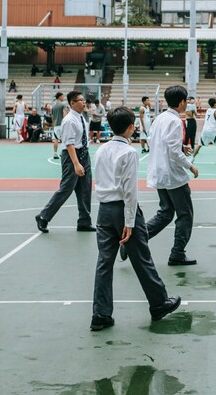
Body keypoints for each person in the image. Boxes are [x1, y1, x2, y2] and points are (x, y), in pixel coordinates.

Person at [90, 106, 182, 331]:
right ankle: (158, 303)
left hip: (104, 209)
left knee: (104, 262)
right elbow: (129, 190)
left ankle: (100, 314)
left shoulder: (101, 150)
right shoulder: (129, 153)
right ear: (131, 127)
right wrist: (129, 222)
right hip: (122, 209)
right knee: (141, 258)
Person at [129, 86, 199, 266]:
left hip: (159, 172)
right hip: (172, 175)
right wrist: (190, 166)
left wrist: (180, 147)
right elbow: (173, 151)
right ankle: (177, 253)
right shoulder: (175, 121)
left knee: (166, 213)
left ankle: (134, 240)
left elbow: (157, 141)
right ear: (182, 102)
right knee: (185, 214)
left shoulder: (159, 118)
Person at [35, 91, 95, 233]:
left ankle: (84, 221)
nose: (84, 103)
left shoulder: (81, 117)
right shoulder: (69, 120)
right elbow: (69, 144)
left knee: (85, 188)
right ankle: (43, 216)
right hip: (72, 155)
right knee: (67, 188)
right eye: (80, 100)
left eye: (83, 100)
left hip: (84, 154)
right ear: (72, 103)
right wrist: (76, 163)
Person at [193, 97, 216, 166]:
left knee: (199, 145)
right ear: (215, 103)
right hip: (212, 130)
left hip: (205, 130)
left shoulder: (208, 110)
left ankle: (192, 158)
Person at [50, 92, 68, 160]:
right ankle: (62, 152)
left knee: (56, 139)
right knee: (64, 139)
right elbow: (64, 114)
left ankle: (55, 153)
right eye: (62, 96)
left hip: (56, 125)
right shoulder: (63, 104)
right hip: (62, 124)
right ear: (60, 97)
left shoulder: (53, 106)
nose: (63, 97)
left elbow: (52, 117)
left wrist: (53, 125)